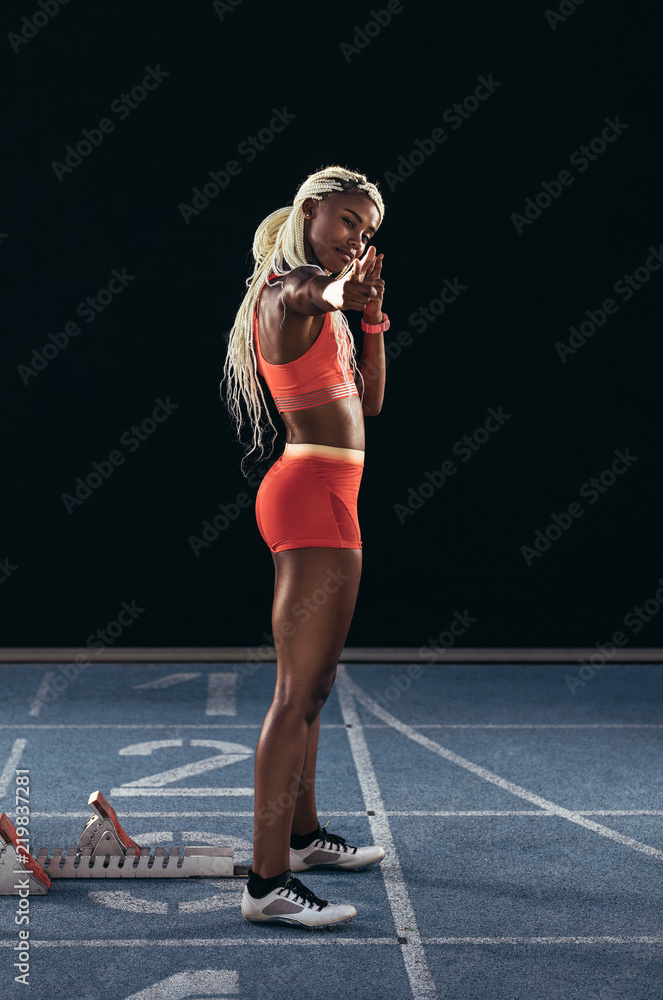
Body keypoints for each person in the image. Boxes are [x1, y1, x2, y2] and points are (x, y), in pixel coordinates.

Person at [222, 165, 389, 928]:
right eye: (349, 221)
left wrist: (371, 318)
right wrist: (336, 295)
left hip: (324, 494)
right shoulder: (291, 290)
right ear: (313, 210)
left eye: (368, 230)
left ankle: (302, 836)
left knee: (313, 688)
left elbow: (372, 403)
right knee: (297, 694)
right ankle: (265, 884)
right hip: (310, 498)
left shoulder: (328, 303)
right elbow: (307, 293)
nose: (358, 238)